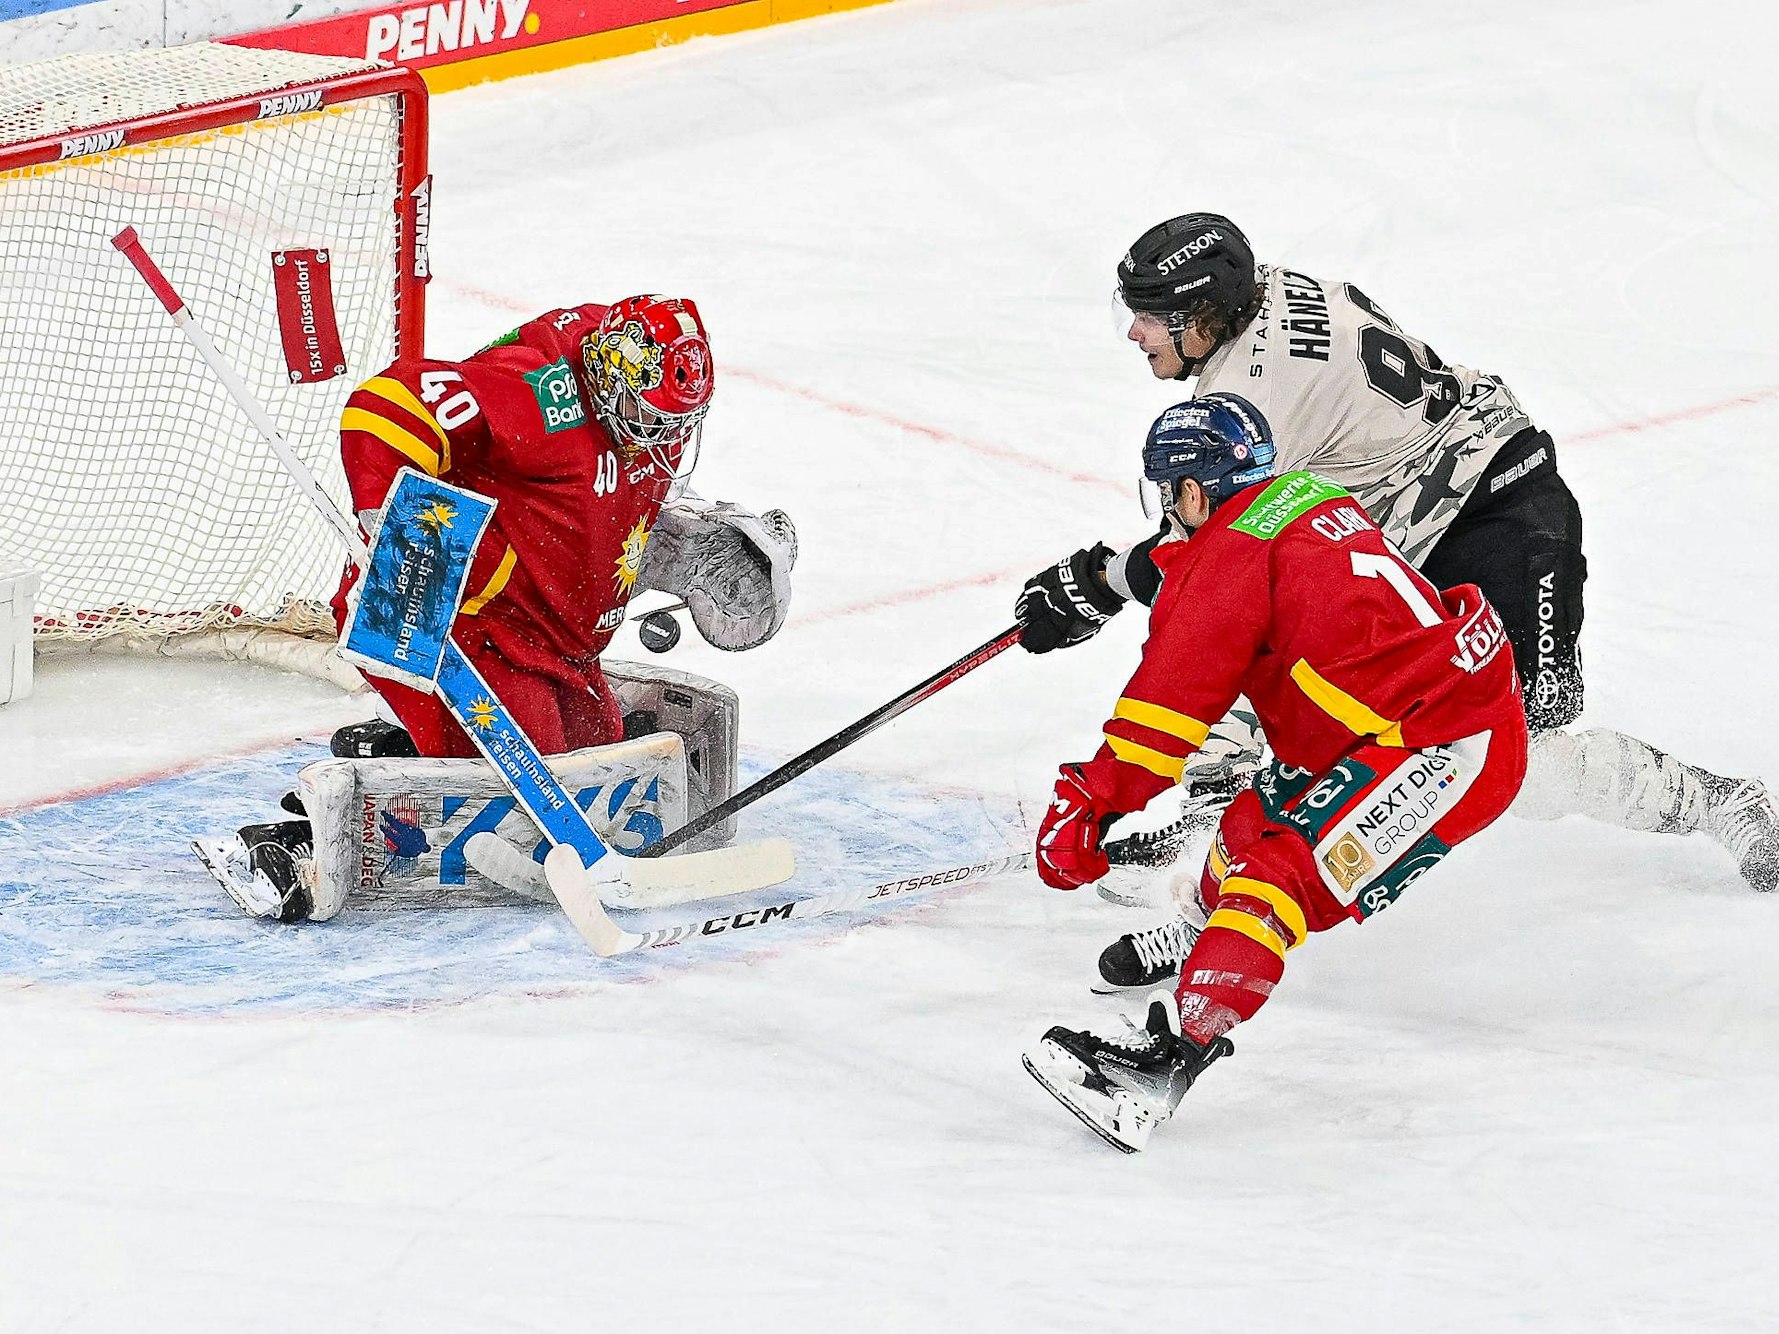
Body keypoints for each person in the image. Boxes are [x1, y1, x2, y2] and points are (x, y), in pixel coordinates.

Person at [1016, 214, 1778, 991]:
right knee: (1306, 681)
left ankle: (1715, 801)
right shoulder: (1267, 295)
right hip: (1412, 523)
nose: (1134, 333)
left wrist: (1093, 583)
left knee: (1503, 742)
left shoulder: (1251, 390)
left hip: (1492, 517)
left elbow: (1207, 561)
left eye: (1149, 317)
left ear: (1200, 316)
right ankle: (1217, 876)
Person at [1023, 394, 1528, 1154]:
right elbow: (1213, 566)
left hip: (1439, 742)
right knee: (1244, 831)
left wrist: (1087, 805)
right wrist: (1102, 581)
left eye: (1169, 494)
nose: (1167, 511)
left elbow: (1161, 720)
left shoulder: (1222, 569)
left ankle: (1164, 1068)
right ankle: (1202, 941)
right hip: (1396, 718)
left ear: (1193, 492)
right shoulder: (1302, 498)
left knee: (1276, 873)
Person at [201, 295, 797, 920]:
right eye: (649, 419)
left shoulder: (640, 404)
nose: (663, 438)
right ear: (611, 371)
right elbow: (391, 404)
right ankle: (299, 847)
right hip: (449, 617)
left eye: (673, 422)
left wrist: (693, 543)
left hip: (548, 642)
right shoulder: (541, 394)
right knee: (529, 789)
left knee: (593, 751)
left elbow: (606, 507)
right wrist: (384, 510)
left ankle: (402, 753)